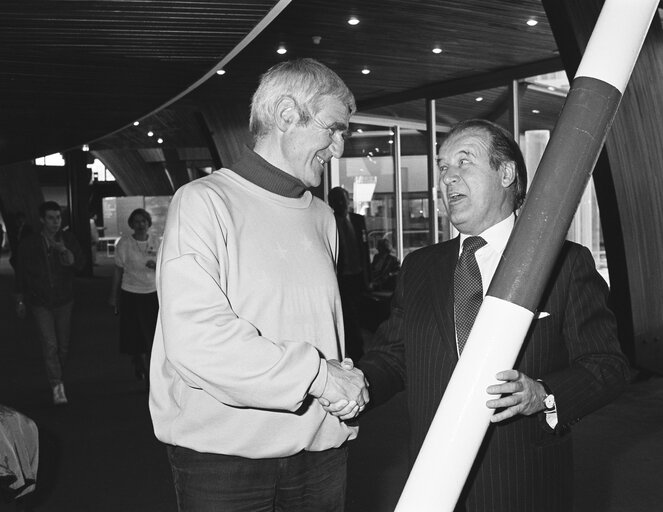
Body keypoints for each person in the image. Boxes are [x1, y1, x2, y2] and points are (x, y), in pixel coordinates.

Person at [355, 119, 631, 511]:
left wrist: (543, 394)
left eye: (463, 163)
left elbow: (609, 366)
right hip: (433, 483)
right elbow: (395, 355)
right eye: (443, 167)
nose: (447, 179)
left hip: (522, 482)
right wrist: (356, 382)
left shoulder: (563, 264)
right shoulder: (418, 267)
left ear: (505, 173)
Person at [149, 58, 368, 512]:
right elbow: (197, 341)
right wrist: (322, 376)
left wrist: (340, 382)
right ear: (287, 114)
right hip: (225, 460)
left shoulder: (322, 216)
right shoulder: (204, 202)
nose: (339, 147)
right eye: (333, 128)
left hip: (322, 451)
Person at [16, 201, 85, 405]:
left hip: (64, 300)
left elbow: (80, 264)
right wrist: (19, 300)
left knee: (63, 346)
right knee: (50, 345)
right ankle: (57, 385)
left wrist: (64, 250)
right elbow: (20, 273)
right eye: (51, 218)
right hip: (40, 302)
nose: (56, 222)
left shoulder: (68, 239)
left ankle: (58, 376)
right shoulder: (29, 244)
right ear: (41, 220)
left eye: (58, 218)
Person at [108, 208, 159, 383]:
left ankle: (151, 368)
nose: (140, 225)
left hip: (152, 293)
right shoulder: (124, 243)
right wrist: (113, 296)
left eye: (143, 221)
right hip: (131, 292)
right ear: (132, 224)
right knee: (135, 332)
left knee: (151, 333)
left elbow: (165, 264)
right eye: (136, 221)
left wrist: (157, 265)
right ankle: (139, 360)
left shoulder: (156, 241)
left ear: (148, 223)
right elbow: (117, 270)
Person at [328, 186, 371, 360]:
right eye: (337, 200)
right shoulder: (329, 222)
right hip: (341, 278)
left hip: (358, 275)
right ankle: (354, 352)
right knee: (348, 317)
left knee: (359, 314)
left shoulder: (358, 220)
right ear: (331, 203)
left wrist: (369, 277)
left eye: (344, 199)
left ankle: (361, 349)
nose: (341, 203)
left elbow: (365, 249)